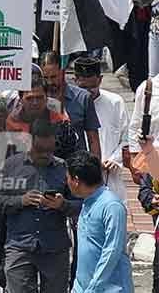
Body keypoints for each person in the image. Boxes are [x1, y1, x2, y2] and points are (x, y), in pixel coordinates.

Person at [0, 118, 81, 293]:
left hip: (55, 247)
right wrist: (20, 201)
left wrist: (63, 204)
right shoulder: (11, 166)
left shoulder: (64, 168)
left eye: (49, 149)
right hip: (20, 246)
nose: (45, 154)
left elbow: (83, 206)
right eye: (40, 149)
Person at [67, 151, 134, 293]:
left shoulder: (112, 206)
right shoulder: (88, 202)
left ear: (76, 180)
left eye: (67, 178)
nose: (66, 182)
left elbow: (112, 252)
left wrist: (93, 288)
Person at [71, 56, 129, 190]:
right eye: (83, 87)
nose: (88, 92)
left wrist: (115, 159)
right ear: (75, 81)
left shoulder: (115, 102)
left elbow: (127, 138)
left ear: (100, 80)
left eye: (93, 87)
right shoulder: (70, 104)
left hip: (110, 177)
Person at [41, 54, 102, 158]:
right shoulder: (36, 100)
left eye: (53, 77)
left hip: (77, 165)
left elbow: (93, 140)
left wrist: (95, 169)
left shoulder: (83, 98)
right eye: (45, 77)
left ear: (62, 72)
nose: (50, 82)